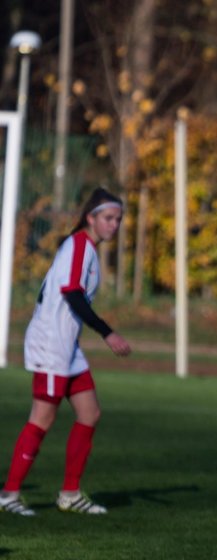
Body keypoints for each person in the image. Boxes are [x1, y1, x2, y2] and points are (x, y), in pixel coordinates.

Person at [0, 188, 133, 517]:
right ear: (91, 218)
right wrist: (107, 332)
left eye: (118, 219)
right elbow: (72, 294)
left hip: (66, 347)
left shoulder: (85, 249)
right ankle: (9, 494)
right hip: (50, 344)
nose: (114, 224)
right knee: (42, 418)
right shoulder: (78, 246)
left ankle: (70, 494)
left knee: (89, 413)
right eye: (108, 218)